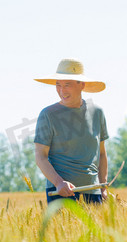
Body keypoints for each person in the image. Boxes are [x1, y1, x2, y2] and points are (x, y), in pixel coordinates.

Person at [34, 58, 109, 204]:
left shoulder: (97, 112)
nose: (62, 91)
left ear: (82, 85)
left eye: (67, 85)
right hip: (61, 193)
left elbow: (101, 153)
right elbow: (40, 156)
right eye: (58, 85)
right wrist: (59, 183)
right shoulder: (48, 115)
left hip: (94, 192)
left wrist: (103, 187)